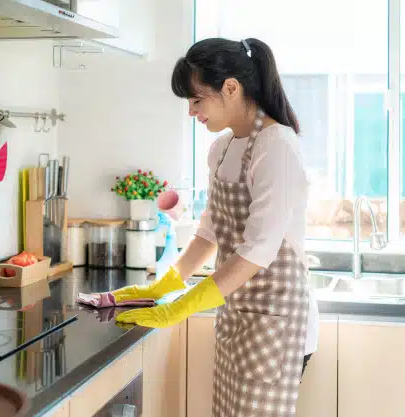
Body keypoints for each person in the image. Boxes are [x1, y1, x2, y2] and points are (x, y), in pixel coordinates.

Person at [113, 37, 319, 417]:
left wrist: (180, 308)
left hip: (277, 325)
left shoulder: (277, 146)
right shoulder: (221, 148)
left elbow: (257, 252)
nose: (192, 112)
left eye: (197, 100)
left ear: (231, 88)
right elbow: (210, 231)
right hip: (237, 316)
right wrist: (166, 284)